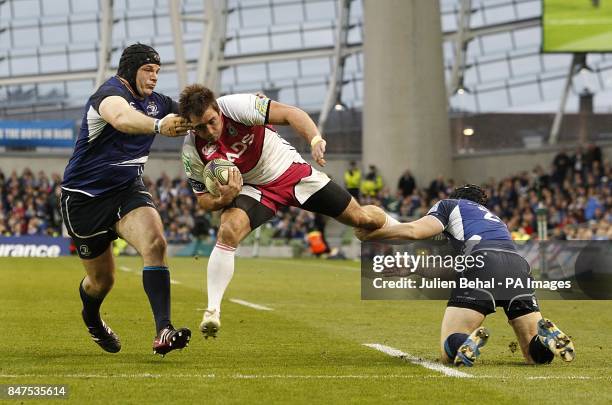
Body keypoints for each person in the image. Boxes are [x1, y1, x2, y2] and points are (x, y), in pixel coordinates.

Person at [178, 84, 398, 338]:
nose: (209, 131)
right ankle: (212, 311)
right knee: (228, 230)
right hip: (253, 188)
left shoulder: (238, 106)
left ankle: (403, 227)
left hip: (288, 169)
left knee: (362, 219)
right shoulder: (191, 149)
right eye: (200, 128)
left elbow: (292, 114)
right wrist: (222, 199)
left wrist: (315, 139)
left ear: (218, 109)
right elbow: (203, 200)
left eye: (211, 122)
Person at [60, 43, 192, 356]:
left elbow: (199, 115)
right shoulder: (108, 94)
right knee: (101, 281)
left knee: (156, 244)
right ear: (130, 70)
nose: (154, 77)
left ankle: (164, 330)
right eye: (148, 70)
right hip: (84, 199)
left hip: (126, 189)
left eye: (158, 71)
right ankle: (92, 319)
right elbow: (121, 119)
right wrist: (160, 126)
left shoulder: (159, 103)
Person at [356, 184, 575, 367]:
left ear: (456, 198)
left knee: (448, 352)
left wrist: (375, 234)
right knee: (534, 356)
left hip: (483, 262)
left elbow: (414, 231)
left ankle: (464, 342)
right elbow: (461, 268)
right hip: (518, 267)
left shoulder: (448, 206)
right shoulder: (496, 220)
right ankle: (544, 341)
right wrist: (417, 268)